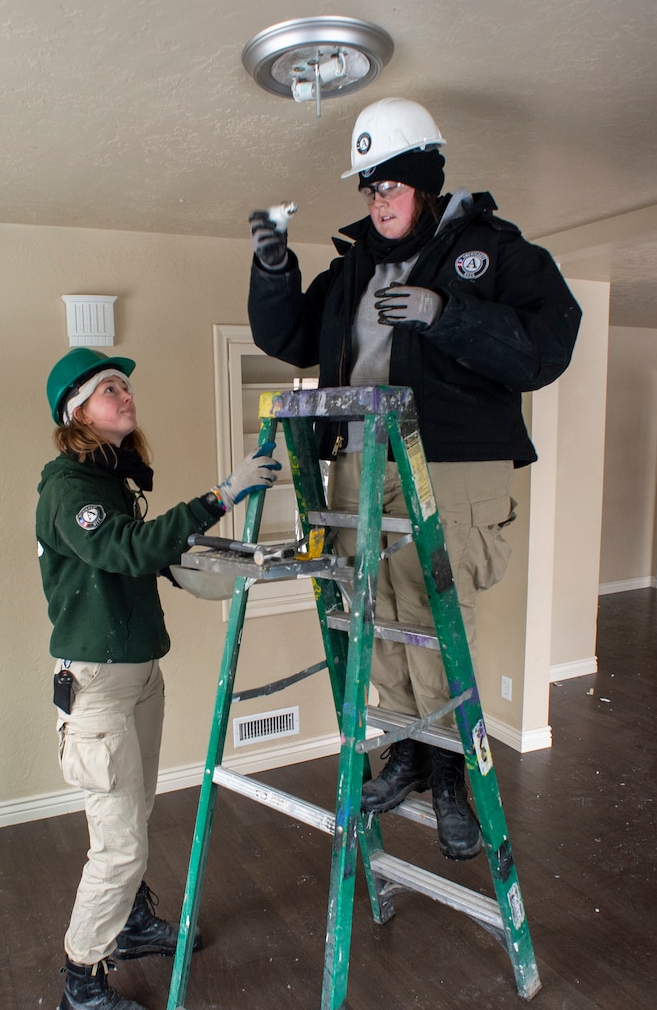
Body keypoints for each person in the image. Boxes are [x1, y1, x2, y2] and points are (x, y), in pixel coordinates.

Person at [247, 97, 582, 862]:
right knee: (375, 616)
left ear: (426, 182)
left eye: (391, 186)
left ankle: (451, 776)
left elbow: (545, 347)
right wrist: (274, 268)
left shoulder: (493, 252)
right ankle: (405, 752)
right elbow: (290, 335)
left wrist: (445, 312)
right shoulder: (354, 265)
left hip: (449, 459)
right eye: (368, 187)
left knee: (432, 622)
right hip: (361, 459)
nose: (377, 200)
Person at [37, 346, 281, 1010]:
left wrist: (195, 559)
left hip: (140, 673)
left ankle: (136, 922)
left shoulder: (110, 480)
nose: (126, 394)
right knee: (116, 846)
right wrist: (221, 496)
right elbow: (124, 550)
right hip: (99, 688)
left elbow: (136, 557)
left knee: (135, 812)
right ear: (76, 411)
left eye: (126, 386)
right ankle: (81, 983)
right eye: (109, 388)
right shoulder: (68, 488)